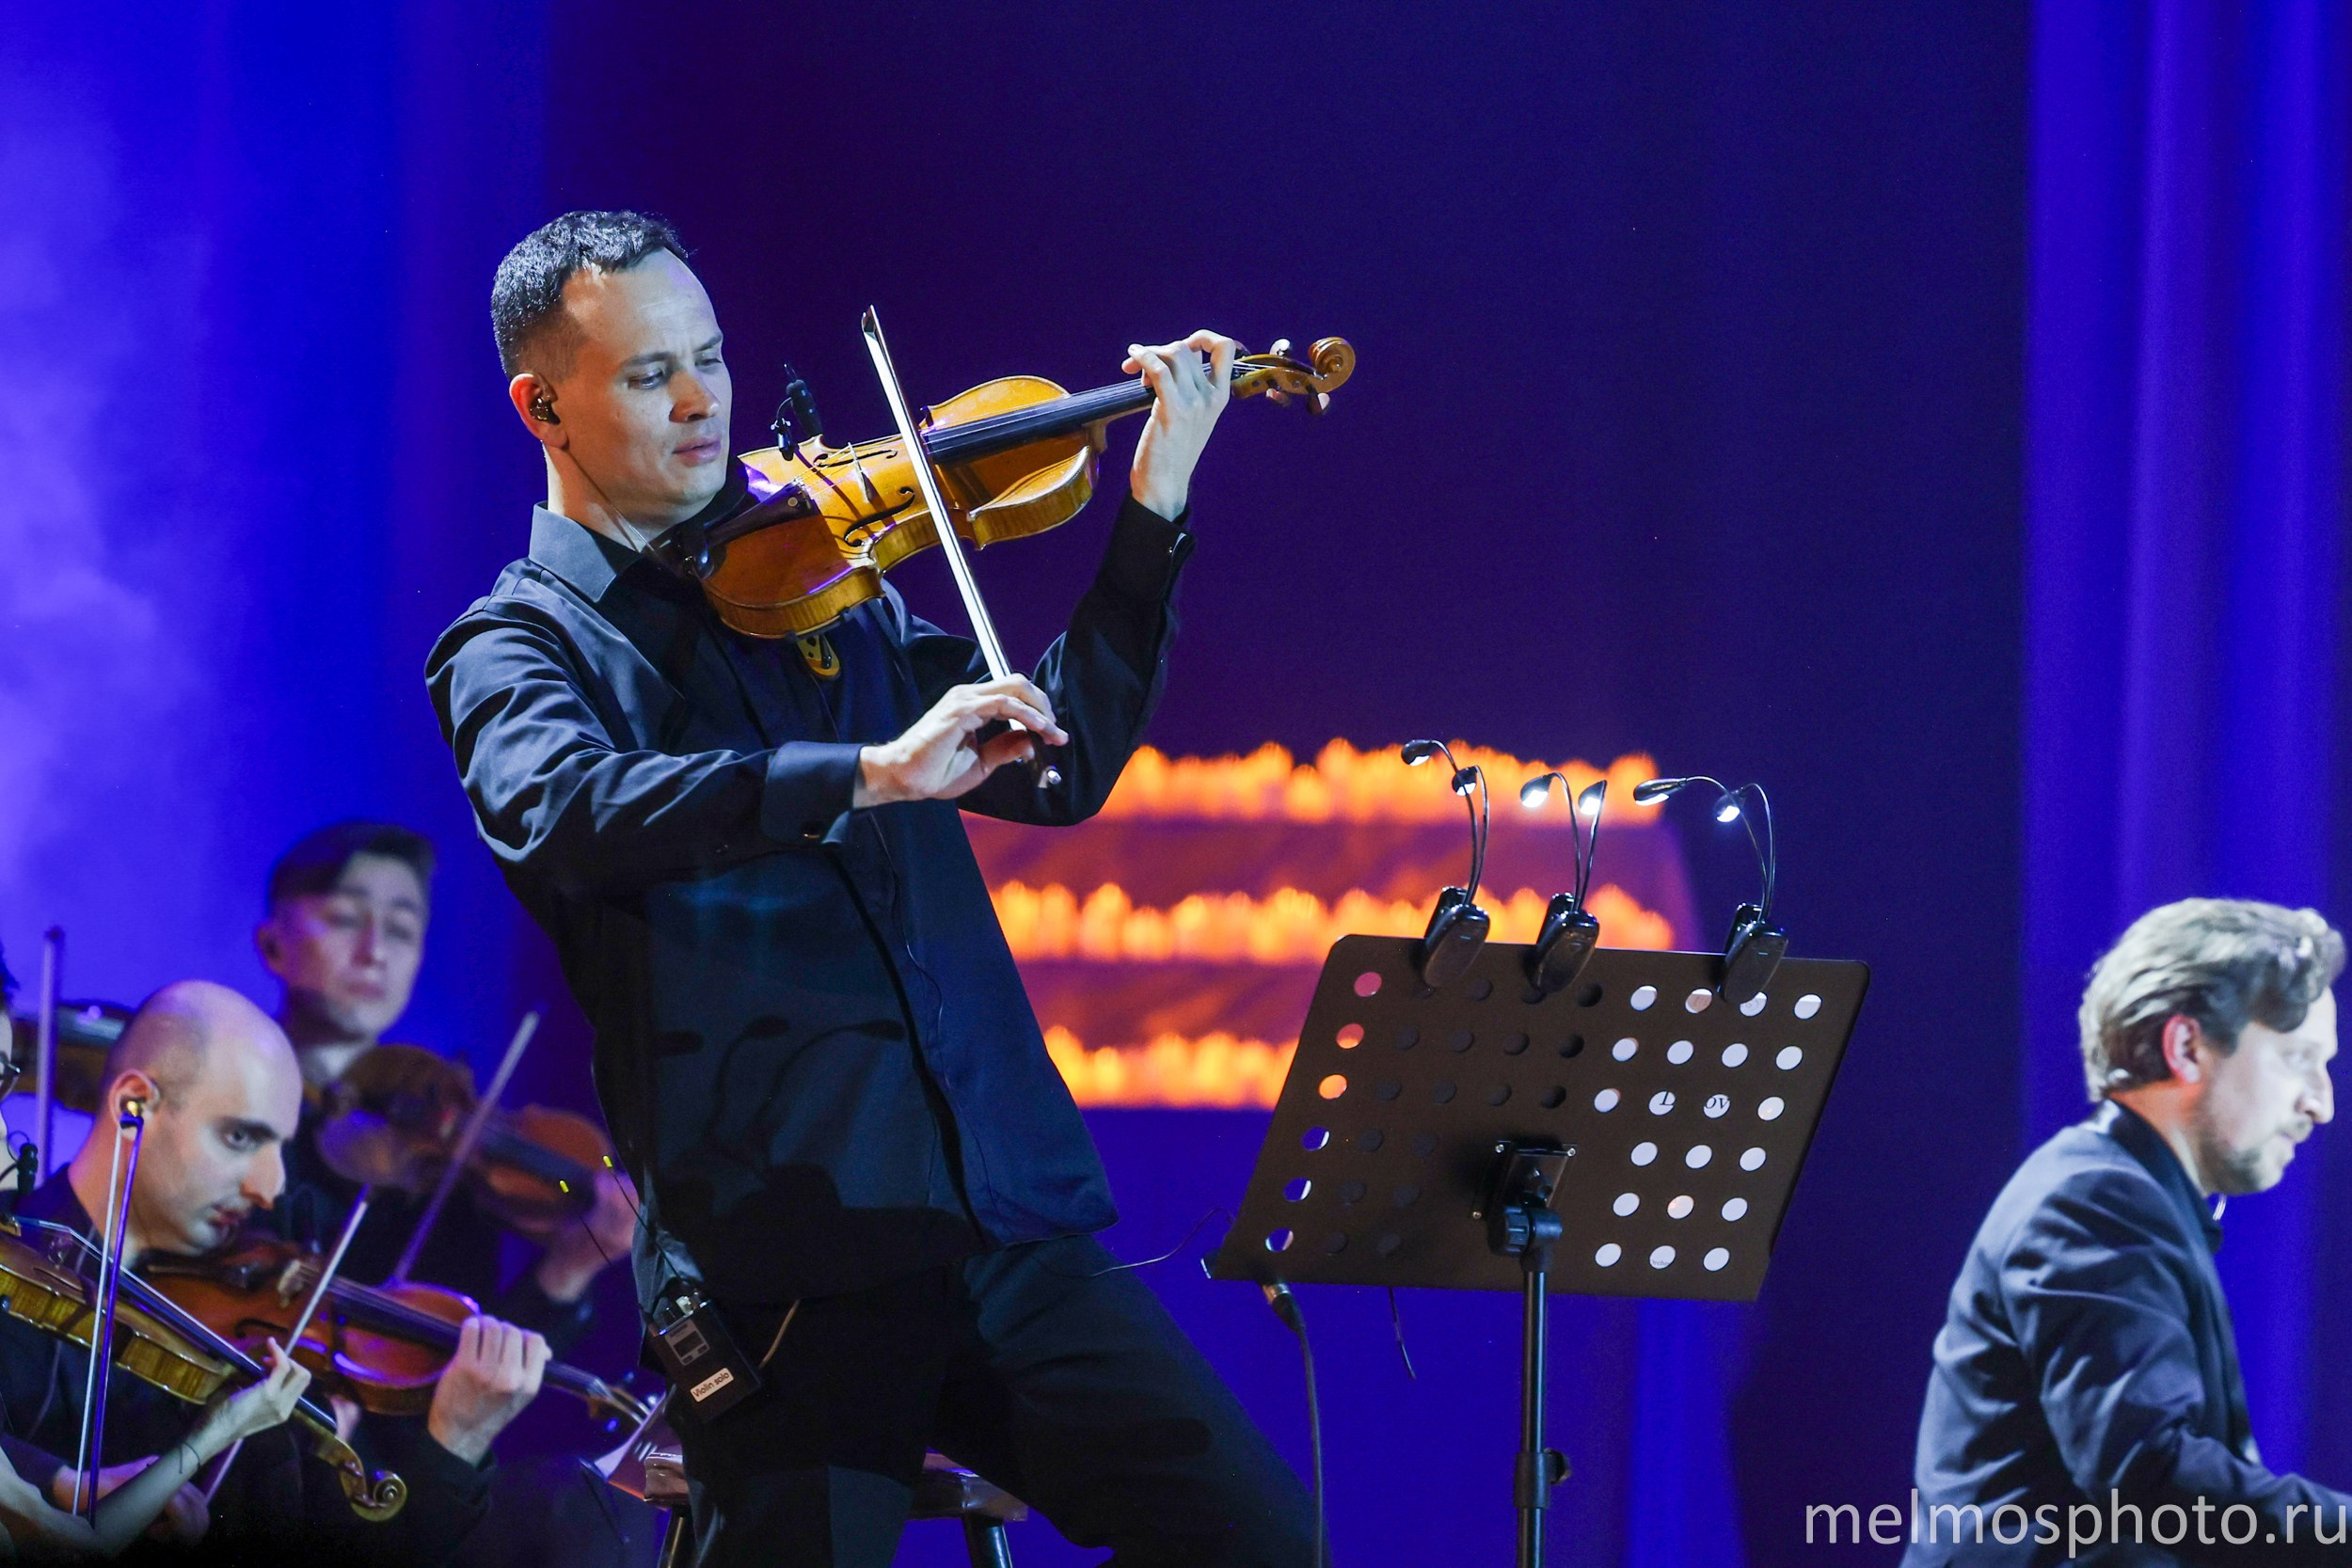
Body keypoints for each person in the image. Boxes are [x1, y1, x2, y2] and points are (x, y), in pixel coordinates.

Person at [427, 210, 1315, 1566]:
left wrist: (1154, 504)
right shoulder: (516, 644)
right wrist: (863, 770)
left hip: (989, 1211)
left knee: (1256, 1537)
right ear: (542, 404)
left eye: (712, 355)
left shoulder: (818, 580)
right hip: (788, 1260)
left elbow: (1054, 769)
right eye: (649, 371)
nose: (703, 398)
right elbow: (567, 810)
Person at [0, 979, 547, 1562]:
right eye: (239, 1137)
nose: (270, 1189)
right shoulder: (14, 1276)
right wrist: (55, 1477)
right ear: (136, 1106)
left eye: (280, 1149)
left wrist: (455, 1443)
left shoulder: (254, 1336)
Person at [1905, 898, 2352, 1565]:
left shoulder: (2123, 1193)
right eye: (2297, 1058)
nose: (2321, 1103)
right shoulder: (2093, 1198)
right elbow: (2150, 1473)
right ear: (2186, 1046)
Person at [252, 820, 634, 1349]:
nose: (375, 950)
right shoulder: (235, 1105)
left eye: (402, 931)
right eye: (345, 918)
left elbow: (454, 1384)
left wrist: (569, 1268)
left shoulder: (444, 1178)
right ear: (272, 944)